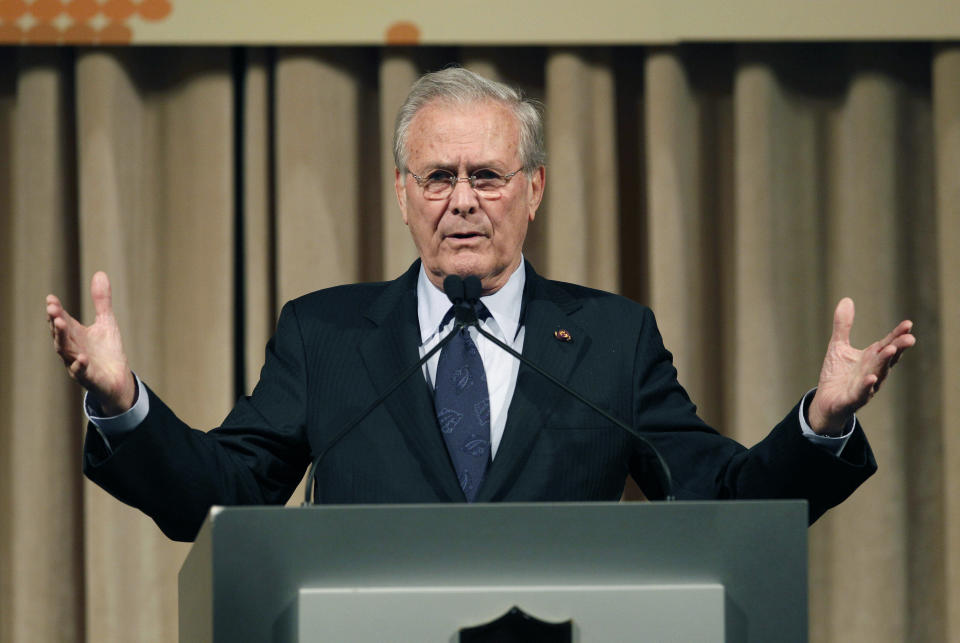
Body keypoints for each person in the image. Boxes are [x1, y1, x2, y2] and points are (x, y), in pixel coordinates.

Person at [46, 68, 914, 542]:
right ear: (402, 193)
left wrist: (821, 423)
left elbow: (722, 497)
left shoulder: (612, 338)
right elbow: (222, 495)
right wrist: (124, 404)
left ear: (533, 189)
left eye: (487, 176)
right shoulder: (326, 334)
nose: (462, 200)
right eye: (438, 177)